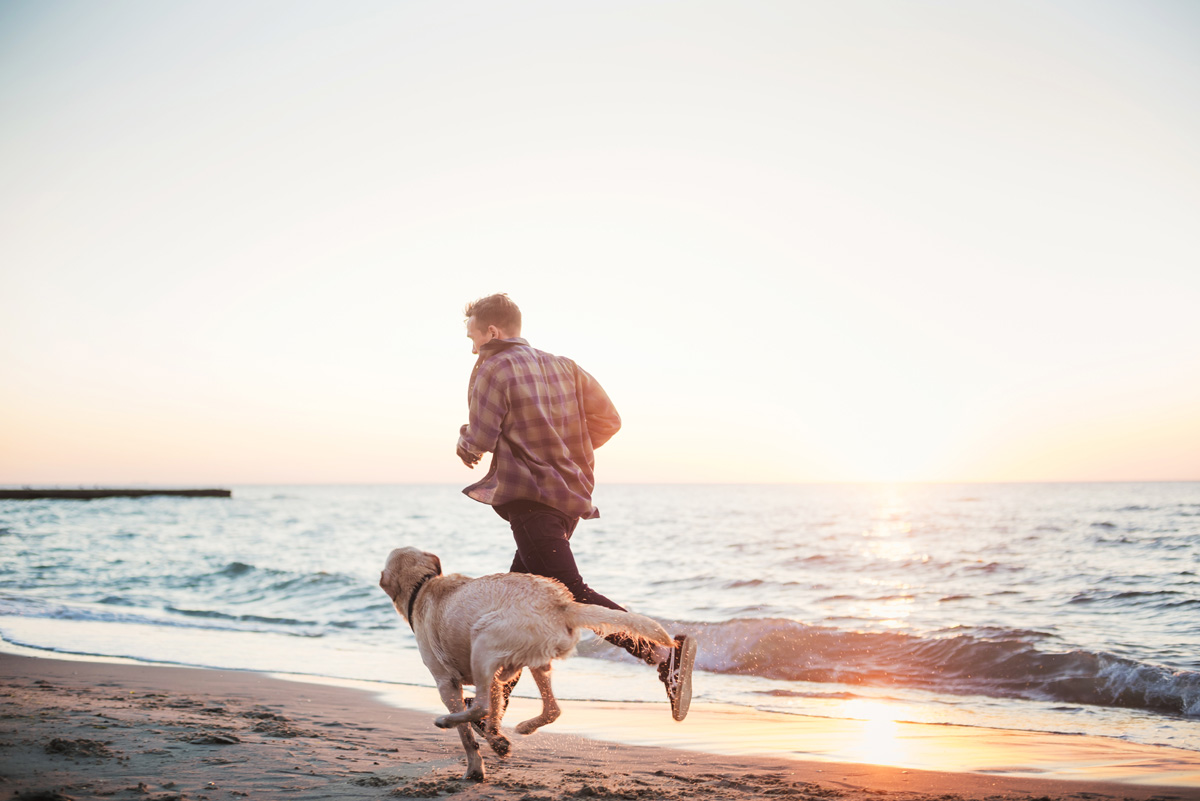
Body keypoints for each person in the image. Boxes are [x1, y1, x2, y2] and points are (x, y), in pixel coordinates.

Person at [456, 293, 696, 722]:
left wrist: (466, 445)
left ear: (492, 332)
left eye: (472, 334)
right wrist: (564, 451)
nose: (471, 344)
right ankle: (493, 708)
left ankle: (665, 653)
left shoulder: (492, 366)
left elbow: (482, 436)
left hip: (531, 499)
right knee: (517, 602)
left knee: (569, 593)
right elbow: (610, 421)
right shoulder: (565, 365)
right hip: (570, 495)